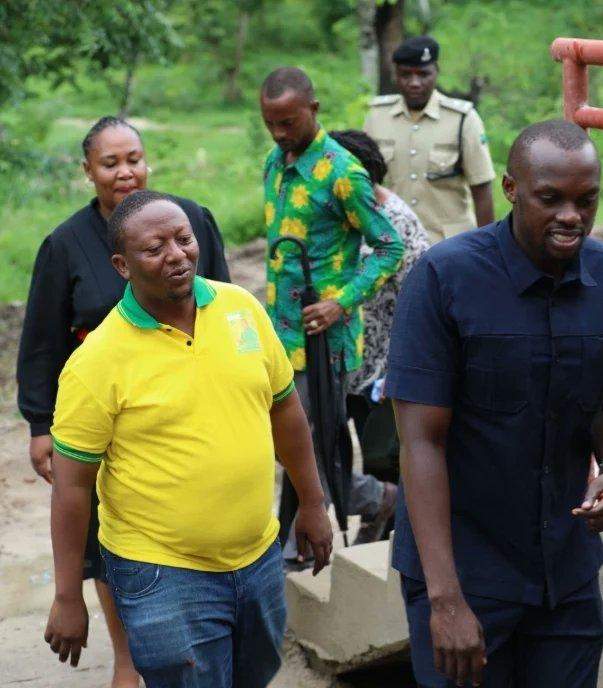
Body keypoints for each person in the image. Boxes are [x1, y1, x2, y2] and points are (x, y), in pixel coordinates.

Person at [386, 120, 603, 687]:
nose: (571, 215)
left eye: (586, 199)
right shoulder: (444, 278)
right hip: (467, 575)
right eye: (550, 199)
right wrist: (445, 600)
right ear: (510, 188)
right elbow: (420, 442)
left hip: (567, 573)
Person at [43, 190, 332, 688]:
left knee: (255, 674)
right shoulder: (97, 362)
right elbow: (70, 487)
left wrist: (312, 501)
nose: (177, 255)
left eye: (184, 239)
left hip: (258, 555)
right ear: (122, 264)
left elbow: (285, 408)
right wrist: (69, 596)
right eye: (155, 249)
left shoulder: (241, 309)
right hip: (162, 574)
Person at [16, 116, 230, 688]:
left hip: (187, 407)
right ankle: (128, 660)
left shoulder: (193, 221)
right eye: (109, 163)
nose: (124, 171)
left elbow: (225, 308)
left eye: (132, 158)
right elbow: (41, 342)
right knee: (108, 536)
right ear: (88, 171)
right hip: (107, 418)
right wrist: (41, 425)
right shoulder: (64, 245)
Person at [259, 67, 405, 564]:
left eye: (287, 122)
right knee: (288, 444)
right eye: (270, 123)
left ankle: (310, 538)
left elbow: (390, 247)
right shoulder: (274, 164)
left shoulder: (344, 172)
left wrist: (340, 302)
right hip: (278, 336)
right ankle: (379, 500)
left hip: (325, 344)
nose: (279, 133)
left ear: (313, 109)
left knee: (305, 446)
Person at [329, 129, 430, 543]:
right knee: (350, 457)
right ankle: (377, 527)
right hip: (347, 362)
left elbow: (424, 304)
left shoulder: (399, 225)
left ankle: (395, 540)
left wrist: (401, 371)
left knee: (385, 458)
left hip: (386, 368)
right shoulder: (335, 221)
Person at [364, 36, 495, 245]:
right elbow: (365, 185)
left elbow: (481, 190)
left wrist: (487, 248)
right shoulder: (377, 117)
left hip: (451, 245)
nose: (415, 83)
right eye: (406, 74)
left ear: (436, 72)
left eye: (423, 74)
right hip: (395, 243)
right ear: (395, 74)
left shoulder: (463, 119)